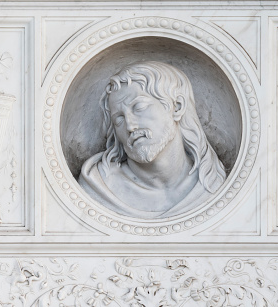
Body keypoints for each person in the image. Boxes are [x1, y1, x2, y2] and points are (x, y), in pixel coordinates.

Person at [79, 61, 226, 218]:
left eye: (139, 108)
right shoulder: (99, 187)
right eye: (119, 119)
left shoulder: (210, 184)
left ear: (177, 107)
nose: (130, 126)